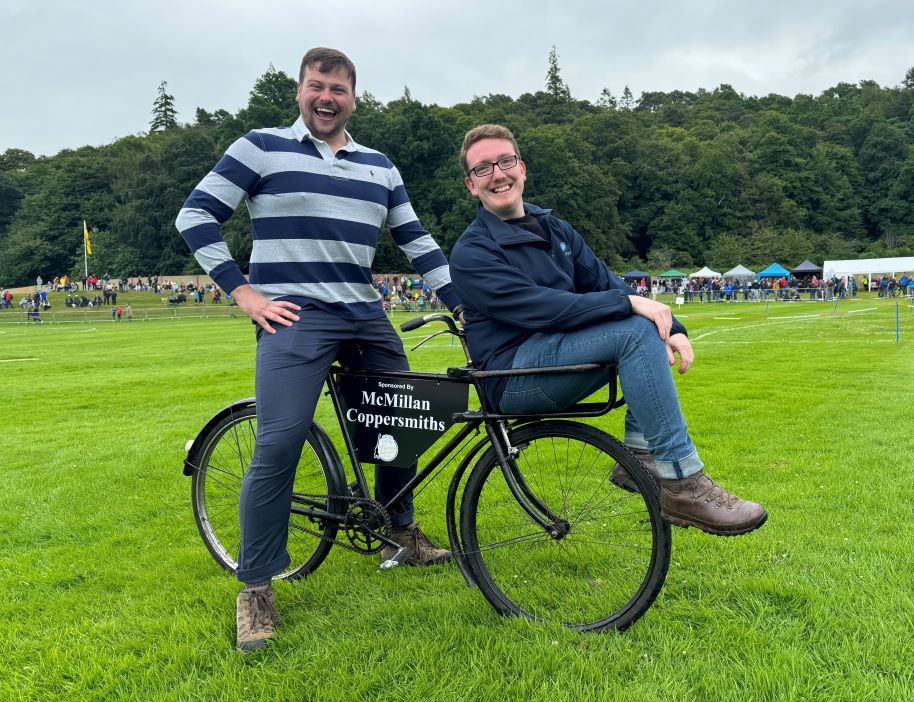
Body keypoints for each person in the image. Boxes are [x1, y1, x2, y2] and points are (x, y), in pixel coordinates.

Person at [175, 47, 463, 653]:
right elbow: (196, 215)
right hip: (294, 316)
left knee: (404, 425)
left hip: (364, 313)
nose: (326, 97)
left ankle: (399, 532)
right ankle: (255, 588)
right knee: (279, 441)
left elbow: (416, 240)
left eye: (338, 88)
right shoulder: (260, 146)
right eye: (316, 86)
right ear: (300, 91)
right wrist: (245, 294)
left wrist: (458, 301)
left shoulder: (380, 166)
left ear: (354, 97)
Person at [448, 124, 766, 543]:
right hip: (511, 378)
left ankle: (639, 451)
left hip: (556, 358)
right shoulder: (471, 252)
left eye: (505, 161)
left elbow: (606, 283)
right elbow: (542, 308)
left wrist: (674, 328)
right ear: (472, 185)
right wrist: (632, 305)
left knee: (643, 325)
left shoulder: (557, 230)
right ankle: (684, 483)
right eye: (483, 168)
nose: (498, 174)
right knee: (635, 328)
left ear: (522, 168)